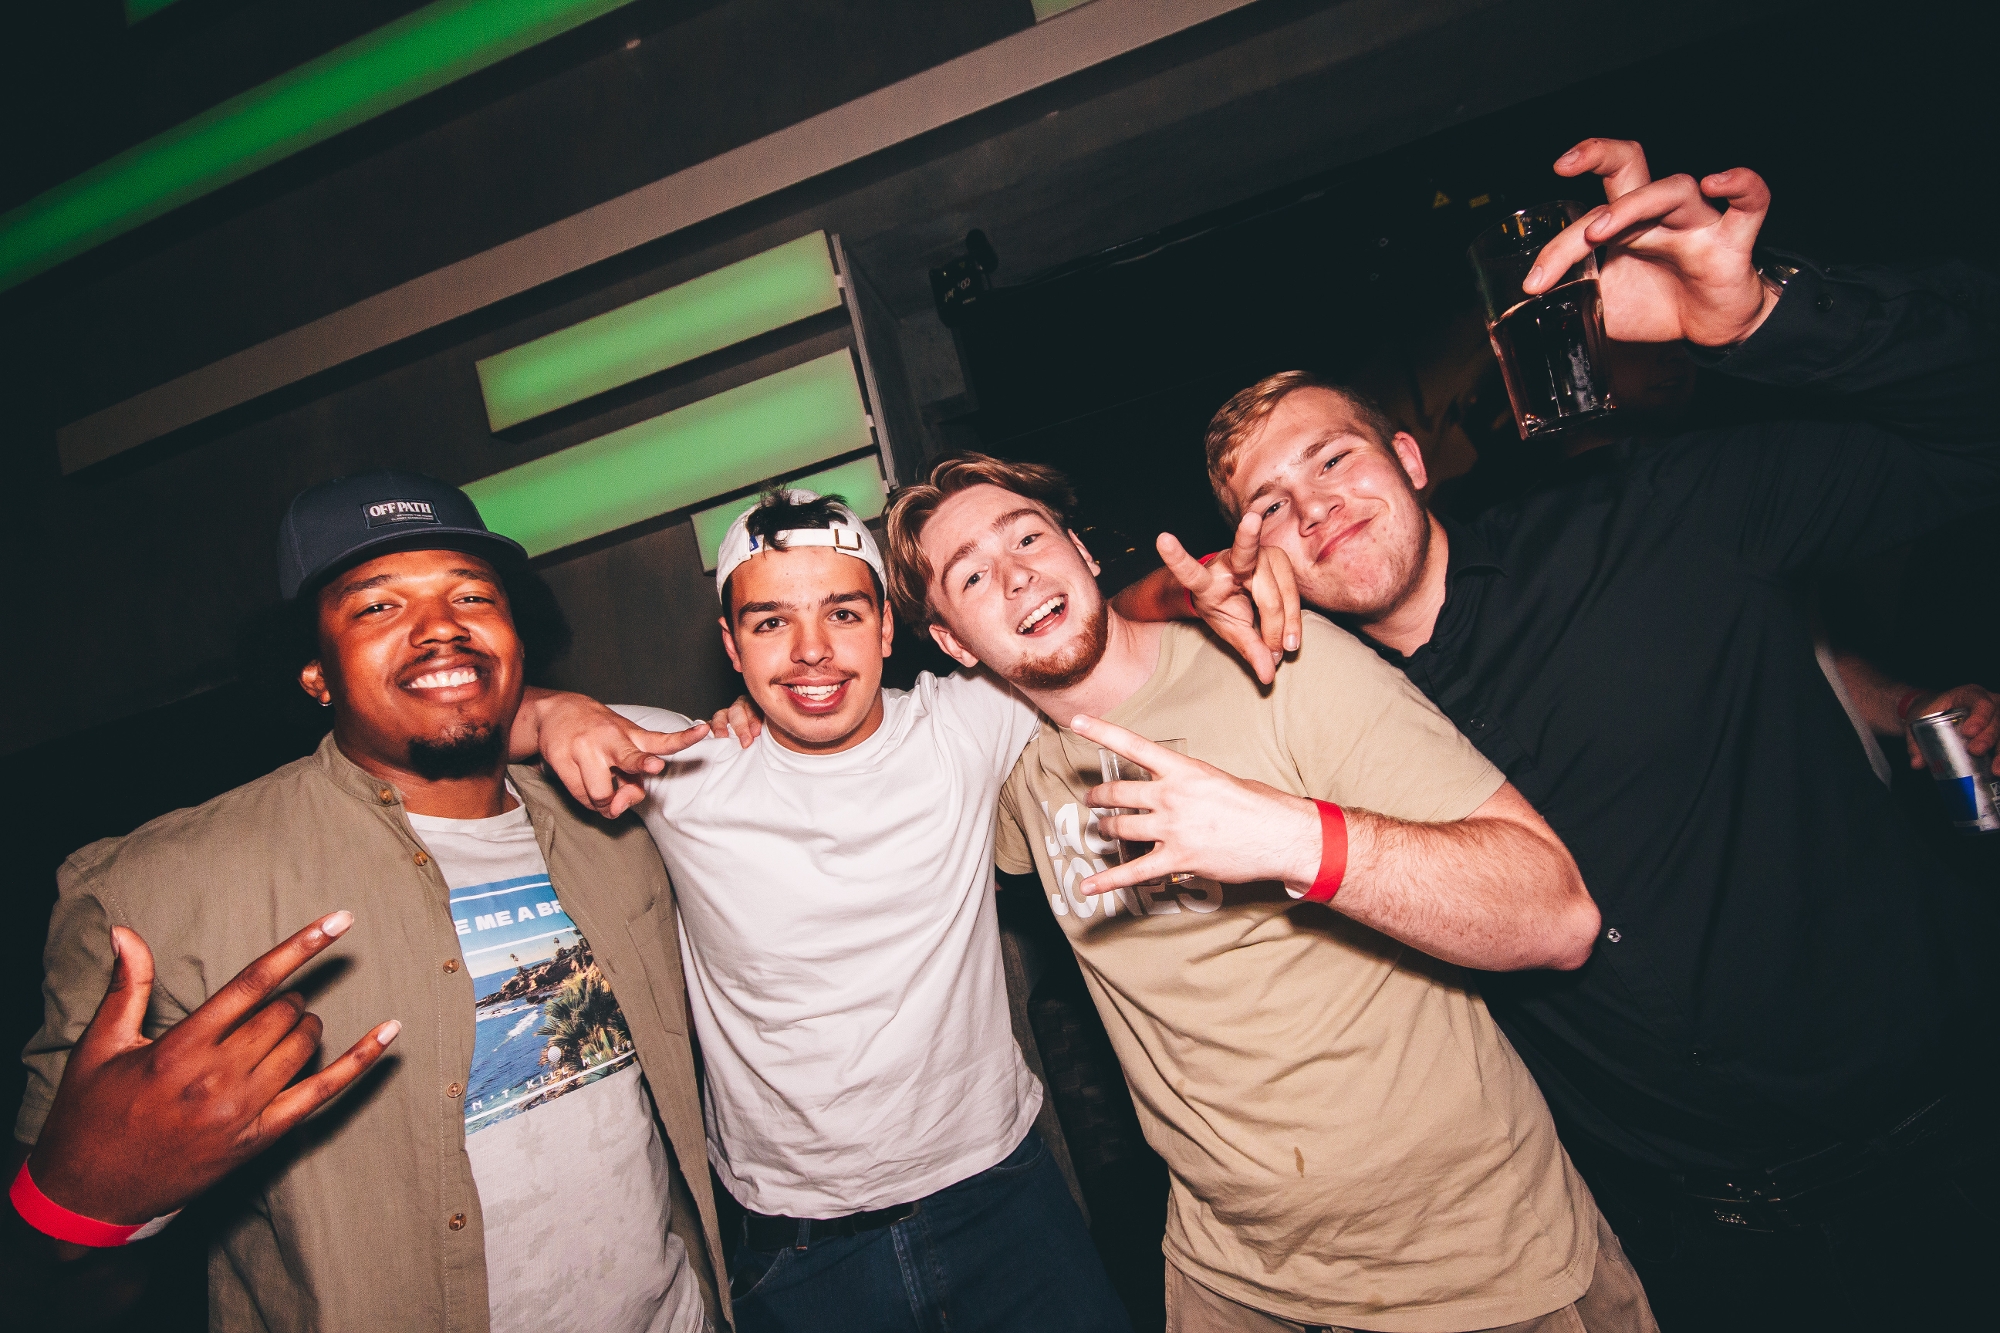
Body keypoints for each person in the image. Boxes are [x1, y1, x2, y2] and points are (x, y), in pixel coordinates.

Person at [1129, 137, 2000, 1329]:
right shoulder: (1300, 723)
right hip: (1695, 1248)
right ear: (1247, 554)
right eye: (1267, 506)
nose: (1312, 506)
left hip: (1948, 1152)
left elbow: (1966, 436)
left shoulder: (1649, 522)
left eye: (1332, 457)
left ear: (1407, 458)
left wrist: (1758, 315)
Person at [883, 453, 1657, 1333]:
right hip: (1229, 1278)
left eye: (1028, 537)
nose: (1017, 575)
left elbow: (1557, 914)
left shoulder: (1279, 662)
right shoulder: (1014, 769)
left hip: (1465, 1263)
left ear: (1082, 552)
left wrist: (1292, 837)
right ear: (954, 643)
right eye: (972, 575)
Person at [11, 472, 729, 1333]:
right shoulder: (156, 891)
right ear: (315, 672)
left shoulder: (613, 824)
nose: (441, 626)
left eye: (471, 595)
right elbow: (48, 1275)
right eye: (379, 606)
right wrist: (79, 1203)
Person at [505, 490, 1135, 1333]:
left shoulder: (962, 723)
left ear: (886, 627)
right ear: (731, 646)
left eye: (842, 612)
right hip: (799, 1248)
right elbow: (469, 717)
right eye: (771, 622)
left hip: (1002, 1197)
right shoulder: (684, 762)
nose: (811, 650)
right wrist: (554, 708)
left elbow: (1115, 623)